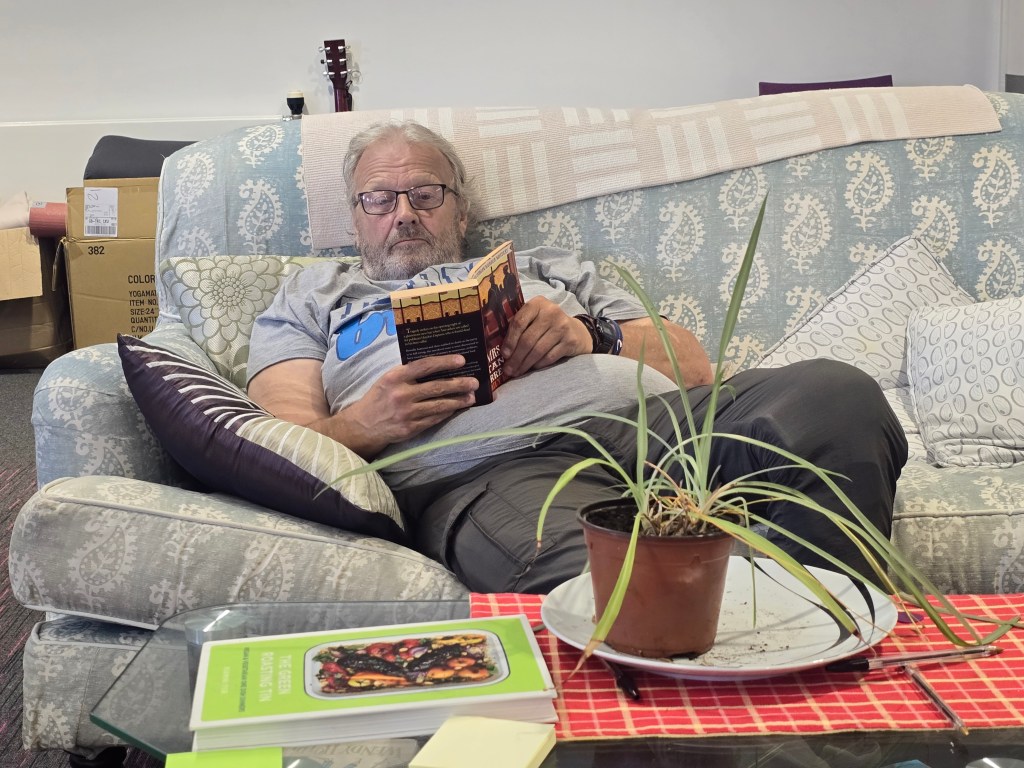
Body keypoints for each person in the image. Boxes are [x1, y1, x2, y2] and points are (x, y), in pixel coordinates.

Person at [247, 120, 908, 594]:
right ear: (355, 216)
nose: (404, 214)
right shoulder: (314, 296)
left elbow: (692, 366)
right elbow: (276, 442)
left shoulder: (545, 268)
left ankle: (831, 636)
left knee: (835, 396)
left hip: (653, 427)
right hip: (491, 473)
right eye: (379, 199)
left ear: (461, 210)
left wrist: (593, 335)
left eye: (425, 195)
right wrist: (362, 425)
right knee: (628, 592)